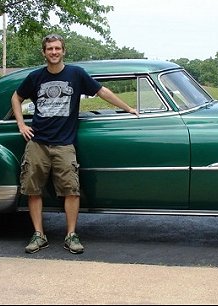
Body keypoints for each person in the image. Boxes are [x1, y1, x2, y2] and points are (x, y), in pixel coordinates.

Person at [11, 34, 138, 254]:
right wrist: (21, 124)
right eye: (49, 49)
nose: (53, 52)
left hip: (64, 144)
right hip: (38, 142)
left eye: (57, 48)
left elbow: (102, 91)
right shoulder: (35, 77)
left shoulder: (75, 74)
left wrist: (128, 108)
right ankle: (39, 235)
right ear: (44, 52)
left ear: (63, 51)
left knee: (71, 190)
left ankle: (71, 235)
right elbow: (16, 97)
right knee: (33, 190)